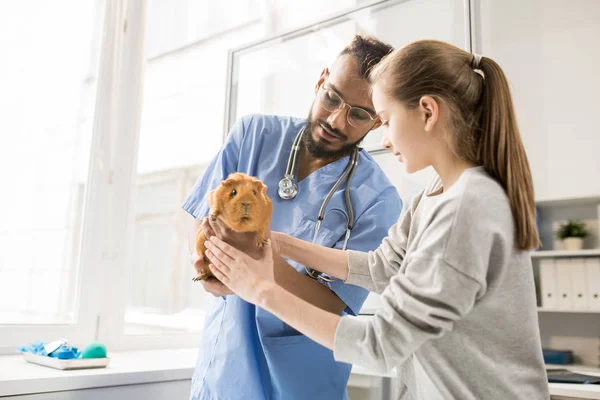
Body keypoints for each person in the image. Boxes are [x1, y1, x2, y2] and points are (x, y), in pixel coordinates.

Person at [204, 40, 551, 399]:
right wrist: (279, 244)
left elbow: (380, 345)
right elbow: (382, 268)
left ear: (428, 113)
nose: (384, 140)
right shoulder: (435, 195)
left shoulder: (466, 207)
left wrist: (260, 289)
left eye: (383, 120)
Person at [182, 35, 403, 400]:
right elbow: (205, 221)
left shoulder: (380, 201)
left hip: (304, 378)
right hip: (226, 368)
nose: (336, 119)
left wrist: (254, 267)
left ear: (377, 121)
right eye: (332, 97)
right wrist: (206, 265)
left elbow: (334, 303)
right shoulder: (253, 135)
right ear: (320, 81)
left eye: (358, 114)